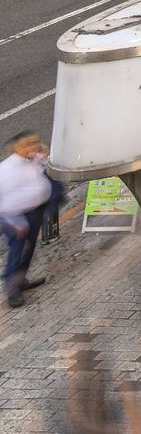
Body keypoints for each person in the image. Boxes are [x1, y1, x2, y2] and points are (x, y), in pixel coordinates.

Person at [0, 130, 56, 307]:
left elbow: (41, 175)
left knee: (28, 250)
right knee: (17, 253)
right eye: (30, 144)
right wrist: (16, 222)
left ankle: (20, 279)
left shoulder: (30, 160)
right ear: (18, 147)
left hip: (33, 213)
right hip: (17, 219)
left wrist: (41, 157)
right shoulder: (7, 170)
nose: (35, 146)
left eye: (36, 142)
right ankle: (12, 292)